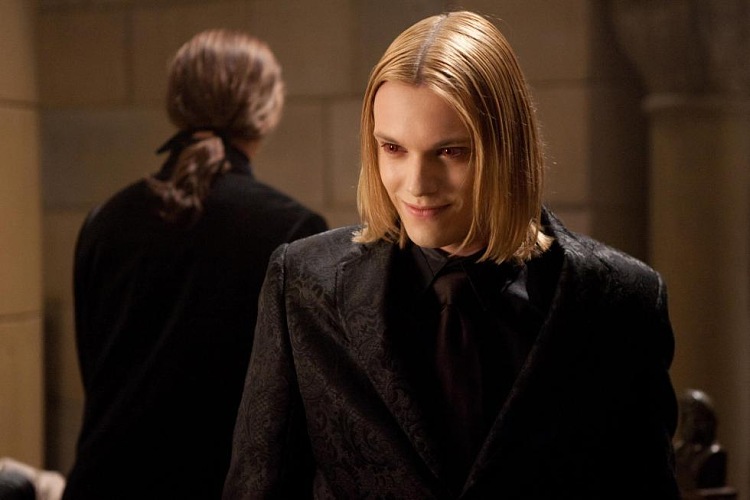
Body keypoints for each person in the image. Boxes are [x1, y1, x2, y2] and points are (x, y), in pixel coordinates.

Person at [223, 10, 678, 499]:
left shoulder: (620, 300)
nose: (417, 185)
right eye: (393, 148)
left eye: (450, 152)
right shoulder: (303, 284)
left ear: (508, 148)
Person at [63, 29, 328, 499]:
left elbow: (95, 370)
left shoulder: (104, 220)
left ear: (177, 103)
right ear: (268, 109)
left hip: (104, 484)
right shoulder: (292, 229)